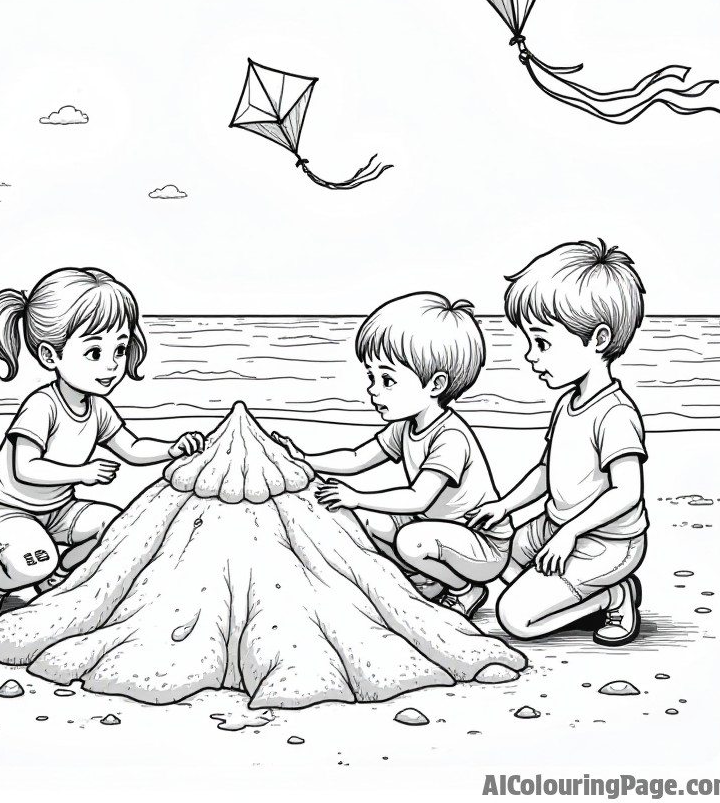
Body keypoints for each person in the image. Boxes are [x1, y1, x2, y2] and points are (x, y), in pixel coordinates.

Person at [0, 267, 204, 620]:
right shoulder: (42, 405)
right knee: (33, 564)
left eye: (120, 349)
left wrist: (172, 448)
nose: (112, 364)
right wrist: (83, 472)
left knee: (116, 528)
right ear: (51, 357)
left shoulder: (98, 407)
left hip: (58, 510)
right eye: (94, 352)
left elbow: (132, 447)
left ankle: (60, 577)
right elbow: (25, 468)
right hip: (2, 511)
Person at [272, 293, 511, 617]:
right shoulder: (405, 427)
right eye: (371, 378)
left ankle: (465, 590)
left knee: (408, 540)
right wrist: (301, 458)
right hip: (436, 530)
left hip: (482, 545)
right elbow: (357, 458)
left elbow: (418, 498)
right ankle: (430, 577)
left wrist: (356, 496)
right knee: (364, 520)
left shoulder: (450, 437)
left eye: (387, 380)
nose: (373, 390)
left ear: (436, 385)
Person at [468, 240, 648, 645]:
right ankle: (575, 595)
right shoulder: (568, 403)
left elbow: (627, 493)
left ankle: (612, 596)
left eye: (543, 343)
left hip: (607, 541)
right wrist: (505, 506)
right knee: (497, 556)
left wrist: (571, 533)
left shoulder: (615, 414)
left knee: (514, 619)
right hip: (556, 525)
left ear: (598, 339)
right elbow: (546, 472)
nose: (532, 356)